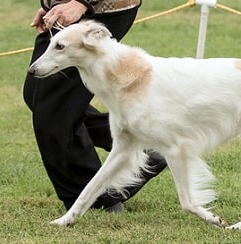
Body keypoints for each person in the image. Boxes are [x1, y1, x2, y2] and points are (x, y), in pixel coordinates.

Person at [23, 0, 167, 211]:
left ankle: (97, 198)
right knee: (39, 97)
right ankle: (146, 147)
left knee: (54, 110)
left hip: (95, 10)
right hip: (72, 10)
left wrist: (80, 3)